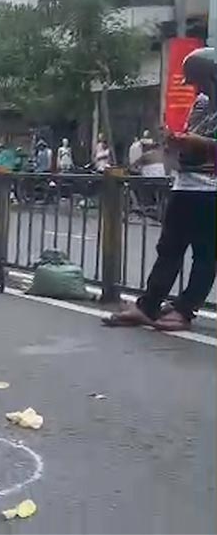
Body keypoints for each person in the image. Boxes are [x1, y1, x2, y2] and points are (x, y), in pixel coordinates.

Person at [104, 47, 217, 332]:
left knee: (205, 254)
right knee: (168, 248)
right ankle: (148, 305)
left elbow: (203, 142)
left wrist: (196, 143)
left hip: (212, 190)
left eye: (200, 81)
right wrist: (176, 142)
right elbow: (190, 136)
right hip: (185, 184)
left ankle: (185, 310)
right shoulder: (201, 104)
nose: (197, 88)